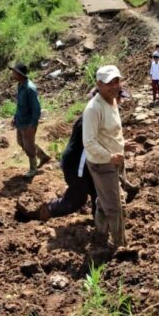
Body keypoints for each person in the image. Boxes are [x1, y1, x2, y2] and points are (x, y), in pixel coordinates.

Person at [83, 65, 136, 248]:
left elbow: (108, 134)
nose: (114, 86)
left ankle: (100, 232)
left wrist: (122, 145)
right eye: (109, 83)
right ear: (98, 84)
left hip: (116, 159)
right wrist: (109, 156)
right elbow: (89, 142)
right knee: (116, 207)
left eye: (117, 81)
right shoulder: (93, 109)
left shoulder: (113, 101)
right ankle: (120, 245)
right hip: (102, 163)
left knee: (104, 199)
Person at [16, 116, 96, 222]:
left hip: (81, 162)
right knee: (78, 198)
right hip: (76, 164)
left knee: (97, 190)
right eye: (117, 98)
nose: (118, 102)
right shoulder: (94, 115)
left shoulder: (92, 113)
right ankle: (47, 210)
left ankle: (99, 221)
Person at [11, 63, 51, 178]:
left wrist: (32, 124)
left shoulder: (30, 88)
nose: (13, 74)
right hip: (21, 120)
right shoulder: (20, 85)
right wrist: (15, 117)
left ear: (20, 74)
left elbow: (36, 108)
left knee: (28, 146)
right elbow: (20, 105)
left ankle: (33, 169)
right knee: (21, 142)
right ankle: (42, 156)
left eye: (14, 72)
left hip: (28, 123)